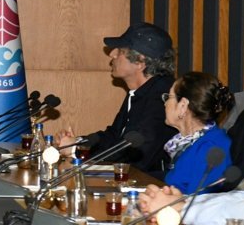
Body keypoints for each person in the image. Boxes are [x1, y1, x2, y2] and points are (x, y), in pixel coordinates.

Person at [58, 22, 177, 173]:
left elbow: (135, 154)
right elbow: (114, 137)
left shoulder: (163, 98)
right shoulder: (142, 91)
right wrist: (78, 143)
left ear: (140, 61)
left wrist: (75, 151)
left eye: (120, 51)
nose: (112, 54)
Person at [159, 71, 234, 193]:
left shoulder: (211, 149)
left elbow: (199, 201)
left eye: (169, 97)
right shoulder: (192, 141)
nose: (165, 103)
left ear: (183, 106)